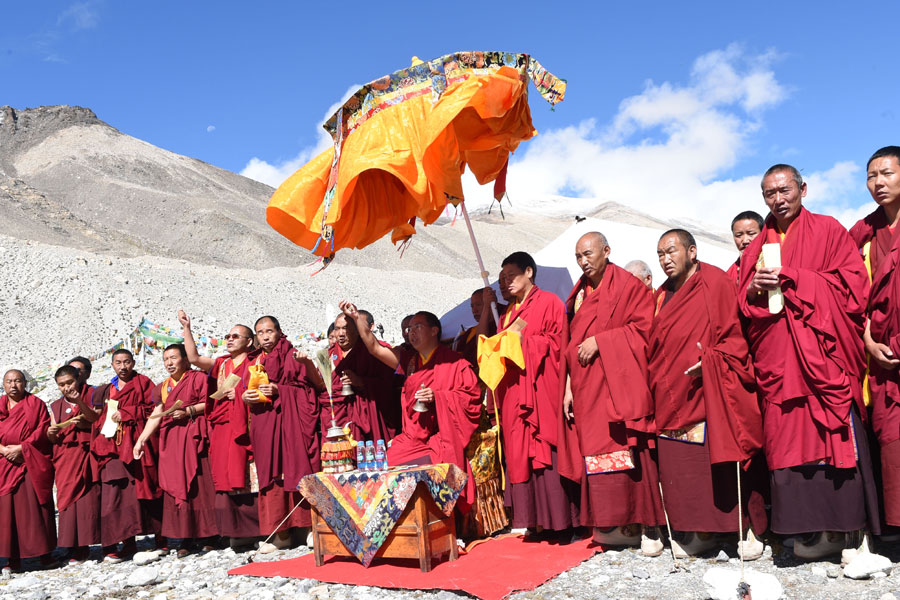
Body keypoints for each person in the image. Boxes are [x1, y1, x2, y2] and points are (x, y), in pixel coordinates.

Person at [739, 164, 879, 559]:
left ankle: (847, 532)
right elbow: (744, 305)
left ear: (803, 188)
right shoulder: (757, 245)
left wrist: (795, 277)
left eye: (785, 190)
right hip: (781, 361)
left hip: (824, 357)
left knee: (835, 438)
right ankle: (804, 533)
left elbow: (854, 289)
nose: (778, 200)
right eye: (769, 194)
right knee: (786, 442)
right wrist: (753, 288)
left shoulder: (829, 230)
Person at [648, 229, 767, 558]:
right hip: (671, 390)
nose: (665, 259)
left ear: (692, 251)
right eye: (659, 254)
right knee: (682, 467)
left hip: (709, 388)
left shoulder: (714, 282)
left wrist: (711, 362)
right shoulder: (660, 295)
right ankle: (698, 532)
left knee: (718, 462)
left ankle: (743, 531)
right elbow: (654, 343)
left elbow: (733, 335)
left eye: (671, 251)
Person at [557, 233, 664, 554]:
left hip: (619, 387)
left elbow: (646, 332)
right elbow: (570, 345)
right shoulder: (578, 295)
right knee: (599, 455)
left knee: (632, 452)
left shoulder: (628, 287)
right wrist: (568, 389)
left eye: (588, 254)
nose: (583, 261)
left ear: (606, 251)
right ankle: (612, 524)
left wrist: (601, 341)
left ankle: (647, 526)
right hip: (587, 389)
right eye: (578, 256)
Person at [477, 251, 578, 541]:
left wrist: (525, 341)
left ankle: (563, 523)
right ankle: (534, 522)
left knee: (546, 454)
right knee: (520, 456)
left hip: (541, 390)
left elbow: (559, 344)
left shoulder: (549, 302)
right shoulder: (506, 314)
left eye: (511, 276)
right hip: (515, 395)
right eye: (502, 279)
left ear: (529, 272)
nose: (505, 282)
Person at [340, 301, 482, 505]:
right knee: (385, 465)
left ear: (434, 331)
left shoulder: (455, 363)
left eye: (417, 327)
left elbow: (472, 399)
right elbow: (374, 348)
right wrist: (356, 317)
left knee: (439, 463)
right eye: (409, 329)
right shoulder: (409, 361)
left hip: (442, 436)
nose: (411, 332)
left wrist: (438, 397)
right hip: (413, 437)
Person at [850, 147, 900, 530]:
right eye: (871, 176)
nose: (878, 183)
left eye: (886, 173)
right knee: (890, 443)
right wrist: (866, 338)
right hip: (880, 358)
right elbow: (851, 293)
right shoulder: (864, 233)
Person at [178, 311, 260, 546]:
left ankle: (256, 530)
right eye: (228, 335)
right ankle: (234, 532)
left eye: (236, 335)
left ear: (249, 341)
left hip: (246, 424)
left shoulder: (256, 362)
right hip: (223, 426)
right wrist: (186, 328)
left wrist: (242, 392)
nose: (230, 339)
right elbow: (193, 358)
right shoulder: (222, 363)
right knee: (226, 476)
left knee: (247, 475)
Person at [244, 316, 321, 550]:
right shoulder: (255, 360)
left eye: (269, 331)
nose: (265, 336)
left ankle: (308, 528)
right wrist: (245, 397)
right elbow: (246, 389)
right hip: (265, 422)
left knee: (296, 469)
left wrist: (280, 389)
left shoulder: (292, 355)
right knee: (272, 476)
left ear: (279, 332)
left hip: (290, 422)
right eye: (260, 332)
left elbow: (310, 390)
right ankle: (280, 535)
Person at [134, 344, 217, 557]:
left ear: (185, 359)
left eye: (173, 358)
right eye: (165, 359)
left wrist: (189, 410)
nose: (169, 363)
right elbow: (157, 412)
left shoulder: (198, 378)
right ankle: (184, 538)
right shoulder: (163, 386)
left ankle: (208, 536)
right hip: (170, 442)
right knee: (175, 485)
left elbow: (210, 403)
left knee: (199, 486)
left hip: (194, 438)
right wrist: (142, 439)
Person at [91, 349, 161, 562]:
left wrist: (128, 413)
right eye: (118, 363)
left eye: (127, 362)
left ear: (133, 362)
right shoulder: (106, 390)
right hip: (112, 446)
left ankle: (162, 538)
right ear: (112, 364)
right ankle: (127, 541)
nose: (123, 367)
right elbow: (98, 418)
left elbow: (155, 410)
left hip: (139, 443)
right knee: (117, 494)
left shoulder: (144, 383)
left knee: (147, 487)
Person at [0, 370, 57, 572]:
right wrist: (4, 450)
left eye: (17, 381)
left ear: (25, 383)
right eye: (9, 381)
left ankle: (44, 554)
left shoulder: (36, 405)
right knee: (6, 513)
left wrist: (21, 449)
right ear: (4, 384)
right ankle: (10, 558)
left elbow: (41, 431)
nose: (13, 385)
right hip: (4, 463)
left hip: (29, 463)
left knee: (35, 508)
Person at [48, 365, 100, 564]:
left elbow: (96, 419)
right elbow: (52, 437)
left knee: (87, 500)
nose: (66, 387)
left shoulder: (91, 395)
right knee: (66, 501)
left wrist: (79, 402)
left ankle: (85, 546)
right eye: (61, 385)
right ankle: (70, 546)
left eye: (69, 382)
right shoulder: (55, 406)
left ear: (78, 379)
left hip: (86, 454)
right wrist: (50, 434)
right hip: (66, 458)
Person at [320, 313, 395, 441]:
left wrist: (361, 382)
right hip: (336, 418)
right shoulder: (327, 355)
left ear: (356, 330)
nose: (341, 333)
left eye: (346, 328)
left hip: (365, 415)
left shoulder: (370, 353)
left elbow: (389, 384)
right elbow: (321, 387)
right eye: (337, 329)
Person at [726, 211, 765, 285]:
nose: (745, 241)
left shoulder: (774, 262)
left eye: (751, 234)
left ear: (763, 234)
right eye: (738, 235)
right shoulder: (730, 274)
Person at [452, 289, 487, 369]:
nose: (474, 310)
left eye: (478, 305)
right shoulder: (470, 332)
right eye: (472, 306)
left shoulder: (500, 325)